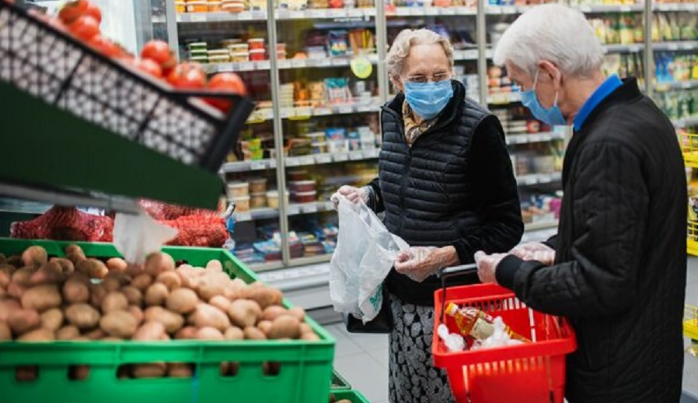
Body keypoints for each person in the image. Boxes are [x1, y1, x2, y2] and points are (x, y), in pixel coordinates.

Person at [474, 5, 687, 403]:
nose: (524, 100)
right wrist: (558, 249)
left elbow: (601, 284)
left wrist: (510, 271)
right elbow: (622, 235)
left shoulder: (609, 144)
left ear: (550, 73)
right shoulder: (639, 113)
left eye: (523, 84)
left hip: (617, 373)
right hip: (648, 352)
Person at [332, 28, 523, 403]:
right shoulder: (393, 116)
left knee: (453, 394)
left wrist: (445, 254)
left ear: (452, 69)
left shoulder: (479, 128)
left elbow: (507, 225)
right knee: (408, 392)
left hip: (457, 302)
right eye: (418, 79)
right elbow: (403, 181)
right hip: (404, 294)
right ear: (397, 80)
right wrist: (368, 194)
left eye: (440, 75)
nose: (431, 86)